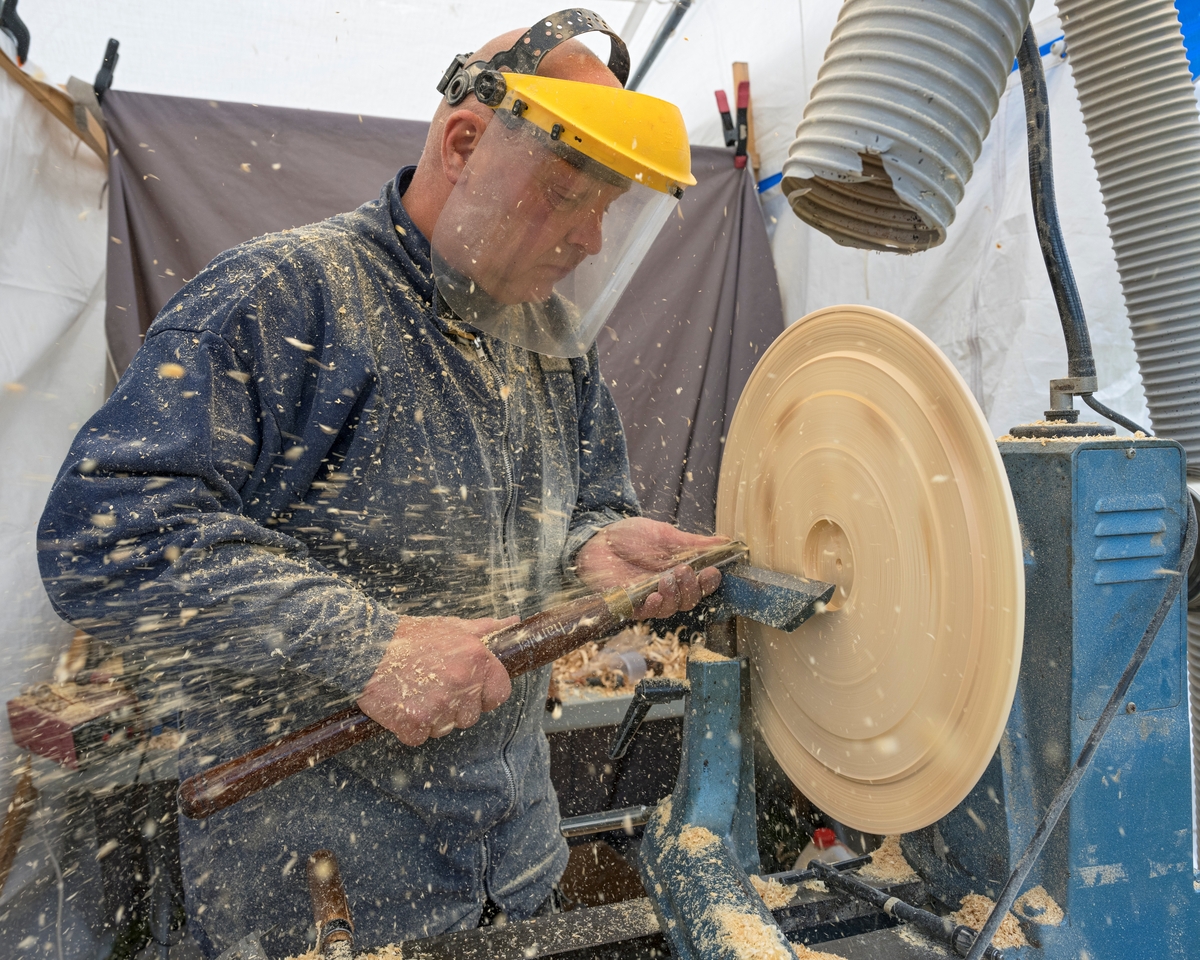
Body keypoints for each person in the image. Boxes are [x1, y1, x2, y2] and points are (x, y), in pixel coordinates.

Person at [37, 12, 723, 957]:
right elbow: (102, 531)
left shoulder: (554, 337)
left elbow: (583, 501)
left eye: (611, 206)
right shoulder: (289, 297)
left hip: (515, 869)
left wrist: (594, 546)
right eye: (568, 196)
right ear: (464, 141)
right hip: (324, 897)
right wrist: (367, 646)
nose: (592, 238)